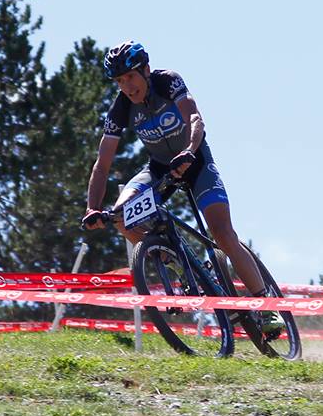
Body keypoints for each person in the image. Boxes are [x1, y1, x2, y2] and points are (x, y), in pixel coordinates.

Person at [81, 40, 281, 331]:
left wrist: (189, 150)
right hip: (160, 167)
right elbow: (102, 164)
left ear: (146, 71)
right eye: (120, 81)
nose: (127, 86)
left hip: (196, 160)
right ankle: (178, 262)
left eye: (131, 77)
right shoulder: (121, 108)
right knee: (122, 217)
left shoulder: (168, 81)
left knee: (223, 234)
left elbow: (195, 118)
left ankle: (265, 305)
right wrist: (92, 208)